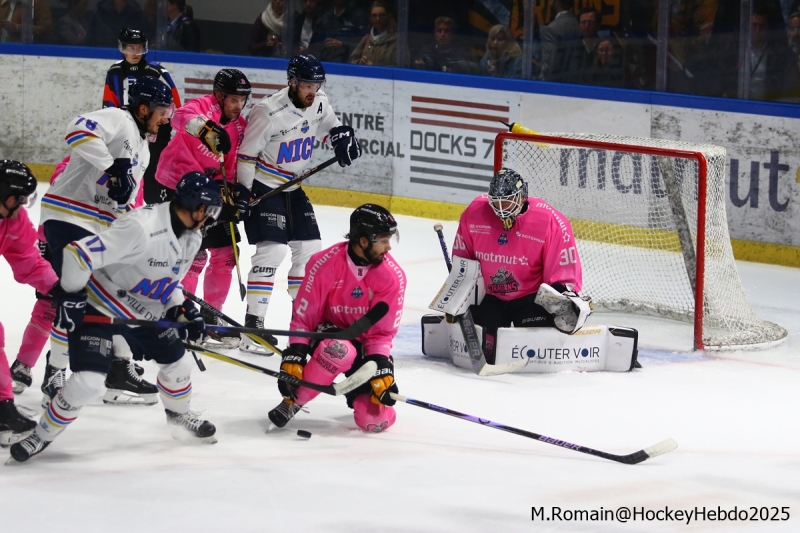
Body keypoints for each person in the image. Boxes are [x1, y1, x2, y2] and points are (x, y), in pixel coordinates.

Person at [9, 172, 222, 463]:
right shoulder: (140, 227)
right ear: (199, 208)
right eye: (210, 211)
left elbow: (170, 281)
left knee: (179, 364)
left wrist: (181, 309)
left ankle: (179, 417)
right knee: (87, 381)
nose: (211, 217)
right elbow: (78, 254)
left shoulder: (192, 237)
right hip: (100, 305)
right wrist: (70, 297)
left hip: (143, 312)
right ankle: (41, 435)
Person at [39, 77, 175, 407]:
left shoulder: (143, 147)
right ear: (143, 109)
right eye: (162, 111)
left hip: (99, 227)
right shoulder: (119, 118)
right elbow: (76, 130)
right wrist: (111, 166)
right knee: (80, 298)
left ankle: (118, 370)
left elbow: (121, 198)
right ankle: (55, 370)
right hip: (69, 217)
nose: (166, 118)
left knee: (120, 294)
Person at [236, 54, 362, 354]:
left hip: (294, 188)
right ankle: (253, 327)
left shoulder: (319, 101)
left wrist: (343, 139)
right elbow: (246, 155)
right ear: (291, 81)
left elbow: (334, 127)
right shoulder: (267, 111)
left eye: (317, 84)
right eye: (307, 84)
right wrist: (243, 191)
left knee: (309, 251)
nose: (312, 90)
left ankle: (304, 323)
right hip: (265, 185)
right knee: (273, 251)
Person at [268, 204, 405, 433]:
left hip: (362, 344)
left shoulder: (392, 277)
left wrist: (381, 365)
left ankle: (362, 397)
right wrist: (296, 354)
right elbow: (304, 318)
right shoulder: (323, 264)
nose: (388, 247)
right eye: (383, 240)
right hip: (327, 333)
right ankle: (293, 402)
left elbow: (381, 333)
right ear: (363, 240)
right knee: (339, 349)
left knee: (374, 421)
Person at [156, 68, 251, 345]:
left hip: (210, 191)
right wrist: (207, 130)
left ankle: (211, 318)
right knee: (192, 255)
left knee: (225, 255)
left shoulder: (239, 125)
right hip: (177, 185)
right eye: (233, 99)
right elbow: (179, 116)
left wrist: (231, 193)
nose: (238, 105)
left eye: (242, 100)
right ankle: (182, 316)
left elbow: (230, 165)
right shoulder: (202, 107)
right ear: (219, 95)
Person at [451, 168, 585, 363]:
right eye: (495, 202)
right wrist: (455, 298)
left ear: (522, 198)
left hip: (530, 299)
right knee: (483, 341)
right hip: (491, 297)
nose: (500, 208)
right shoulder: (474, 213)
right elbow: (464, 262)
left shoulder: (549, 220)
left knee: (542, 340)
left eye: (506, 201)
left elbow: (563, 273)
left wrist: (562, 301)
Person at [0, 161, 56, 446]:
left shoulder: (13, 219)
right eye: (21, 199)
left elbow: (30, 261)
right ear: (9, 197)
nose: (23, 204)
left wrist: (59, 288)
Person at [102, 28, 181, 205]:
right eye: (130, 48)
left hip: (156, 132)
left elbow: (175, 104)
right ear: (122, 48)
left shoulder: (158, 72)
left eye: (138, 48)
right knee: (126, 176)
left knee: (152, 177)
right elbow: (109, 104)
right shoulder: (114, 72)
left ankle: (156, 212)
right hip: (127, 132)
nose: (135, 53)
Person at [411, 16, 478, 74]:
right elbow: (416, 65)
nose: (442, 34)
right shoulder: (425, 50)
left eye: (446, 31)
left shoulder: (461, 53)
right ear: (435, 33)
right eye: (439, 30)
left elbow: (463, 71)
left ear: (452, 34)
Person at [539, 0, 582, 82]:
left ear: (557, 3)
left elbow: (549, 65)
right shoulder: (579, 25)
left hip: (556, 86)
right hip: (578, 83)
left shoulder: (551, 29)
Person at [348, 0, 400, 66]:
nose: (378, 19)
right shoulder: (367, 38)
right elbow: (352, 59)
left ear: (388, 16)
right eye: (374, 15)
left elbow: (403, 67)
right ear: (370, 18)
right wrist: (360, 62)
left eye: (381, 15)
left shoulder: (398, 41)